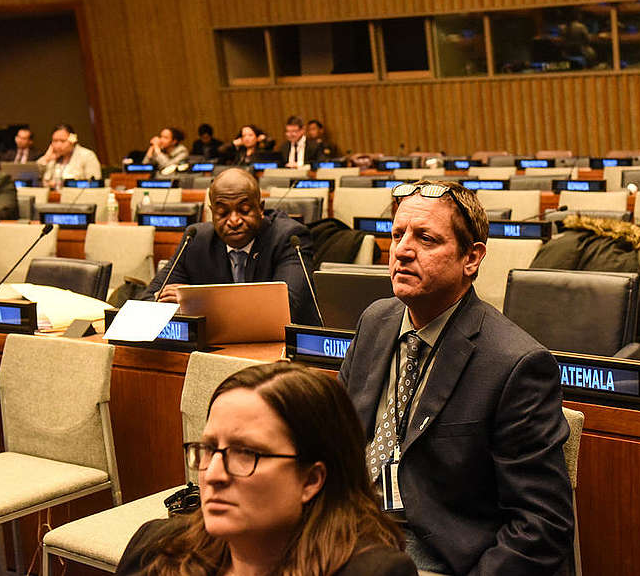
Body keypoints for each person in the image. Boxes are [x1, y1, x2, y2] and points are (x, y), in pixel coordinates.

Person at [338, 180, 574, 575]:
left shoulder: (515, 363)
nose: (402, 250)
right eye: (397, 235)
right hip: (350, 531)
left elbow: (542, 524)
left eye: (426, 239)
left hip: (437, 555)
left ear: (472, 258)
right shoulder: (375, 321)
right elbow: (334, 437)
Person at [116, 363, 418, 576]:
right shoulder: (154, 547)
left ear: (311, 480)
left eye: (246, 453)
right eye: (209, 449)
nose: (215, 475)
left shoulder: (374, 571)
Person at [142, 168, 321, 325]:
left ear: (260, 208)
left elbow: (287, 306)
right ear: (212, 213)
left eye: (244, 210)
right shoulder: (196, 239)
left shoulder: (289, 237)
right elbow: (148, 299)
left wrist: (196, 302)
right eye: (223, 212)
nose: (234, 221)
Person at [36, 123, 102, 189]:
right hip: (53, 197)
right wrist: (46, 158)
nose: (58, 145)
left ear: (72, 140)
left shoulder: (87, 155)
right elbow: (34, 176)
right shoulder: (51, 157)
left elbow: (95, 184)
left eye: (62, 141)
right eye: (55, 141)